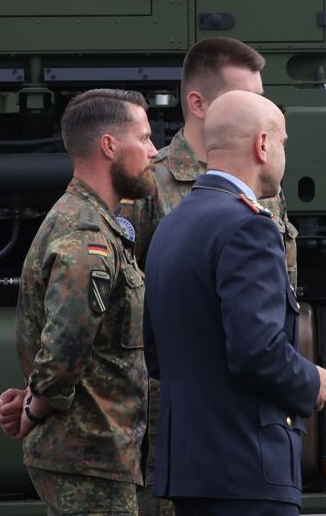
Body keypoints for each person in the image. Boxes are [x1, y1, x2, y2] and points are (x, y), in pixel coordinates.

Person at [118, 37, 298, 516]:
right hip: (173, 420)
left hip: (250, 421)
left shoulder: (264, 189)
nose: (259, 110)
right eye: (248, 98)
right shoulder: (149, 186)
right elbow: (126, 304)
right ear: (197, 103)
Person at [142, 91, 326, 516]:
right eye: (282, 142)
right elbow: (257, 350)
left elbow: (155, 352)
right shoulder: (248, 227)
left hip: (190, 471)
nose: (283, 152)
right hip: (247, 468)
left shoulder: (173, 225)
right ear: (262, 145)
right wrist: (311, 380)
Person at [0, 89, 158, 515]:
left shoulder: (89, 222)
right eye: (143, 138)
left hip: (96, 452)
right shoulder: (86, 237)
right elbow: (66, 347)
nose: (153, 152)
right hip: (89, 453)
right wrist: (33, 409)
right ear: (109, 145)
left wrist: (33, 399)